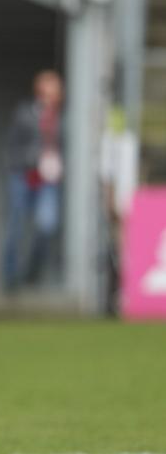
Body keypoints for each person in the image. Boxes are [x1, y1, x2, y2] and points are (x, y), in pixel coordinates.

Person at [2, 70, 65, 292]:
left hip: (48, 181)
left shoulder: (64, 118)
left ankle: (33, 270)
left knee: (47, 224)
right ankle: (9, 276)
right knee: (15, 226)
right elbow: (12, 148)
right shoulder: (24, 113)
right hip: (23, 175)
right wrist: (34, 159)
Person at [99, 107, 139, 315]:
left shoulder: (128, 141)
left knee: (124, 251)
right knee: (114, 251)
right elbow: (108, 177)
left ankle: (123, 293)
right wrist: (110, 203)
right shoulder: (108, 143)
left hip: (127, 206)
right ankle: (112, 296)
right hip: (115, 208)